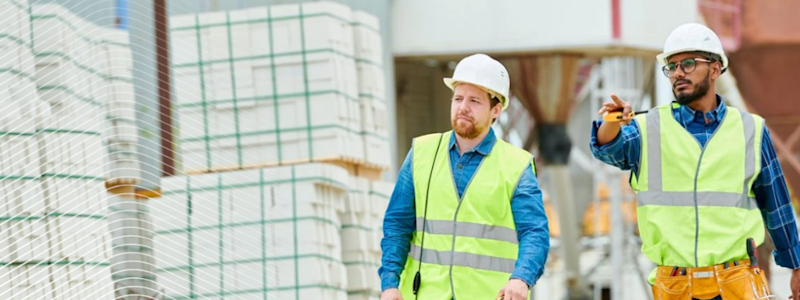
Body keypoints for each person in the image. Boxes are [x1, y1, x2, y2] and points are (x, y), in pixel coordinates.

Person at [591, 23, 800, 300]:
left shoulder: (751, 129)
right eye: (672, 67)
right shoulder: (647, 128)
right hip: (675, 286)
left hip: (737, 282)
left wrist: (796, 266)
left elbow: (777, 205)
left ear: (715, 69)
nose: (677, 73)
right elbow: (608, 148)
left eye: (688, 64)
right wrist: (611, 121)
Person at [378, 53, 550, 300]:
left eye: (475, 101)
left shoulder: (516, 166)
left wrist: (521, 278)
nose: (463, 107)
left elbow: (535, 232)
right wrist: (390, 284)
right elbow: (398, 225)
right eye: (458, 98)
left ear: (496, 109)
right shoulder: (422, 153)